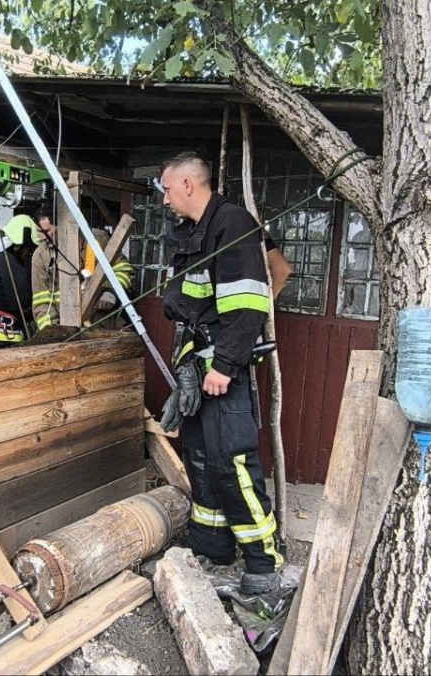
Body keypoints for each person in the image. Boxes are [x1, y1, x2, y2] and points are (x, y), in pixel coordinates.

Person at [156, 152, 284, 594]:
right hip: (196, 365)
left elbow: (248, 304)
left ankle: (263, 564)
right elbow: (187, 301)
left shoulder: (233, 225)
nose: (165, 198)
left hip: (221, 369)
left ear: (189, 184)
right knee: (200, 458)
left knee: (232, 462)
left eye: (167, 189)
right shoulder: (193, 231)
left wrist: (225, 366)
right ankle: (211, 549)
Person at [30, 208, 135, 331]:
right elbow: (41, 301)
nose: (42, 237)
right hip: (66, 327)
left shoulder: (96, 239)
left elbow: (123, 268)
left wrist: (110, 292)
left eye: (46, 231)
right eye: (39, 232)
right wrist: (52, 331)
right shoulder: (41, 255)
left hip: (102, 324)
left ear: (64, 227)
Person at [0, 214, 38, 348]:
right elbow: (22, 301)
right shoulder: (9, 263)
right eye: (29, 248)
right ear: (22, 243)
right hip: (6, 333)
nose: (28, 252)